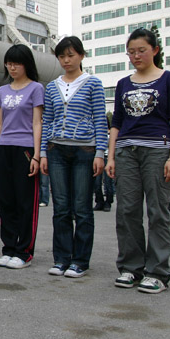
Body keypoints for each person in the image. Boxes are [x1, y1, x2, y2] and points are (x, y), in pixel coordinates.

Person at [105, 28, 170, 294]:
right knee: (126, 210)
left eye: (141, 50)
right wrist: (111, 156)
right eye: (131, 51)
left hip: (158, 151)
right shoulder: (123, 84)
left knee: (158, 211)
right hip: (127, 151)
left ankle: (158, 272)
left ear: (155, 50)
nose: (136, 56)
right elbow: (116, 123)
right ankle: (130, 267)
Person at [40, 36, 107, 278]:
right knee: (61, 208)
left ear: (81, 55)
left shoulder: (93, 83)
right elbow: (47, 121)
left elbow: (100, 119)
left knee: (81, 208)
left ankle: (80, 260)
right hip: (57, 149)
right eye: (62, 56)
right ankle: (61, 258)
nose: (66, 60)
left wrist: (100, 153)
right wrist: (43, 153)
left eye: (71, 55)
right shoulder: (52, 86)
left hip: (84, 150)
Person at [0, 45, 43, 270]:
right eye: (9, 63)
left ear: (26, 64)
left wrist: (37, 155)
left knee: (25, 202)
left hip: (25, 149)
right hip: (3, 148)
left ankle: (24, 251)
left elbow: (37, 122)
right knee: (5, 201)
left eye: (17, 63)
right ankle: (9, 248)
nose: (12, 67)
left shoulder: (36, 88)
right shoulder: (2, 91)